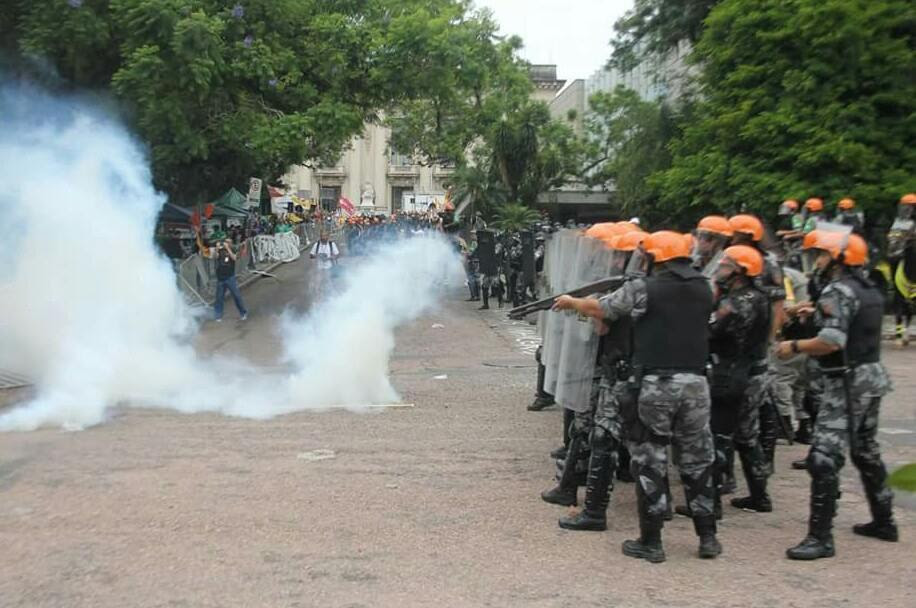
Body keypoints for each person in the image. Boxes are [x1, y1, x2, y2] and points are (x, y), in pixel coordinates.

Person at [553, 231, 720, 562]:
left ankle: (652, 541)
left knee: (650, 461)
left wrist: (571, 302)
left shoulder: (644, 288)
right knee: (697, 460)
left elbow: (605, 308)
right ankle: (708, 537)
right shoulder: (705, 287)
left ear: (656, 257)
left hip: (657, 384)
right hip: (697, 384)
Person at [775, 230, 898, 560]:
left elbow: (831, 341)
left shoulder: (837, 291)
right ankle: (884, 520)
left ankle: (821, 538)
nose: (818, 261)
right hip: (871, 377)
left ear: (839, 258)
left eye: (822, 255)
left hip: (846, 382)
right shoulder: (868, 288)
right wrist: (812, 313)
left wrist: (794, 345)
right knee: (865, 450)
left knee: (824, 458)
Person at [197, 230, 248, 322]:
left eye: (227, 241)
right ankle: (218, 315)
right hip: (220, 278)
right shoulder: (217, 250)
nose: (225, 243)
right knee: (219, 298)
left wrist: (227, 248)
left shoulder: (232, 248)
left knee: (237, 296)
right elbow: (215, 257)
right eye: (224, 241)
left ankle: (243, 313)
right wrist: (217, 248)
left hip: (230, 277)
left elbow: (234, 258)